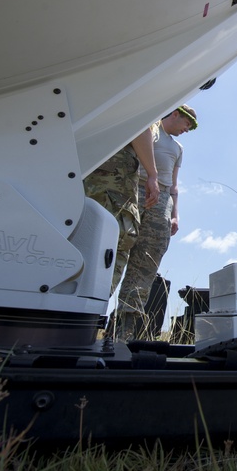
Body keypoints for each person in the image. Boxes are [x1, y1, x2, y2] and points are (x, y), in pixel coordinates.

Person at [116, 105, 197, 339]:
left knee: (147, 261)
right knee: (115, 251)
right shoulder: (149, 128)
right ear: (175, 114)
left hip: (161, 200)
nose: (187, 130)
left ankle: (126, 329)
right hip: (133, 190)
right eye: (187, 124)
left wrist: (175, 214)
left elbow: (174, 184)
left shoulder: (178, 147)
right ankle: (92, 316)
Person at [83, 122, 161, 341]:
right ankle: (83, 323)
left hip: (100, 182)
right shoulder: (145, 102)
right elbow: (140, 124)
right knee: (112, 248)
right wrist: (152, 175)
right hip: (112, 185)